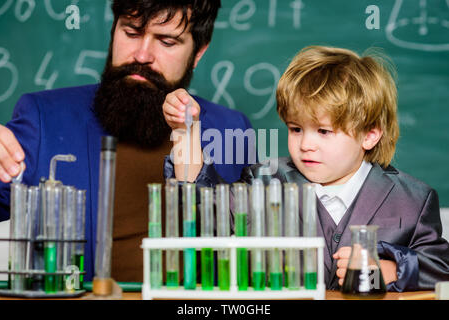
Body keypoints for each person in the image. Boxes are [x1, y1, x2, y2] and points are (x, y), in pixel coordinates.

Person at [0, 0, 255, 282]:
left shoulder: (232, 128)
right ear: (113, 31)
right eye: (131, 33)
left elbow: (256, 246)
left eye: (167, 41)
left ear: (198, 53)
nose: (142, 55)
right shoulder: (44, 118)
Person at [164, 46, 449, 291]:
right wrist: (185, 133)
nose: (305, 145)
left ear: (370, 134)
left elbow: (439, 267)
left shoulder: (412, 200)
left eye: (324, 132)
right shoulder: (265, 182)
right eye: (296, 129)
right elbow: (202, 215)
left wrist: (389, 270)